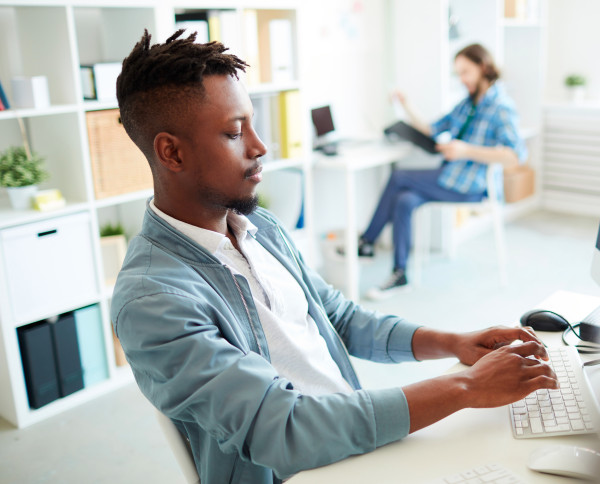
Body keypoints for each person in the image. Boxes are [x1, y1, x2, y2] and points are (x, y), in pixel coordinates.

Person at [111, 30, 556, 484]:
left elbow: (340, 318)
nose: (261, 147)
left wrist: (454, 343)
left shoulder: (261, 228)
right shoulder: (152, 299)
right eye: (235, 132)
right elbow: (284, 429)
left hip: (358, 442)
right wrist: (465, 387)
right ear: (171, 152)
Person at [358, 43, 526, 300]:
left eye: (466, 72)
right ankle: (400, 274)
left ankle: (367, 241)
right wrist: (406, 103)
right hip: (450, 178)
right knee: (404, 200)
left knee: (400, 176)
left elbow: (515, 156)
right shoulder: (468, 104)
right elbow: (432, 129)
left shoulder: (501, 106)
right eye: (458, 74)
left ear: (483, 68)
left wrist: (466, 150)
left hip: (472, 186)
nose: (462, 79)